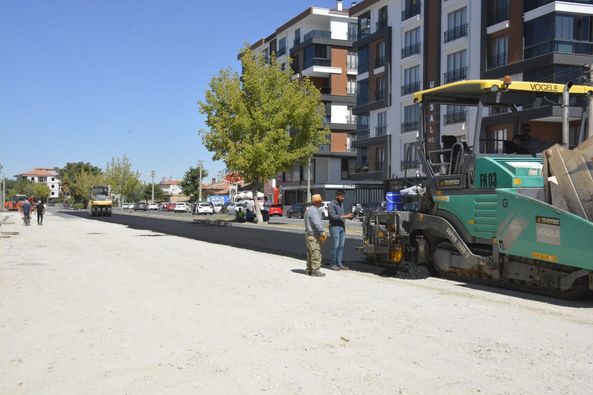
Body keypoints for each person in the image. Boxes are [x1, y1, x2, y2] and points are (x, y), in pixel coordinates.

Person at [327, 190, 353, 271]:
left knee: (341, 246)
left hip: (342, 227)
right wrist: (346, 216)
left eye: (343, 197)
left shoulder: (341, 204)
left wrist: (349, 217)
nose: (343, 198)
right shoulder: (331, 205)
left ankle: (339, 264)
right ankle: (332, 264)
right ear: (336, 196)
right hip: (335, 227)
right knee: (336, 246)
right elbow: (334, 217)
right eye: (341, 197)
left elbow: (342, 216)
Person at [304, 194, 327, 277]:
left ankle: (309, 269)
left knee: (310, 253)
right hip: (313, 235)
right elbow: (317, 223)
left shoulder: (308, 210)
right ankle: (315, 271)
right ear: (317, 202)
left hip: (309, 235)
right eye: (320, 202)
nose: (321, 203)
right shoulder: (314, 210)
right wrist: (322, 232)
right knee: (316, 252)